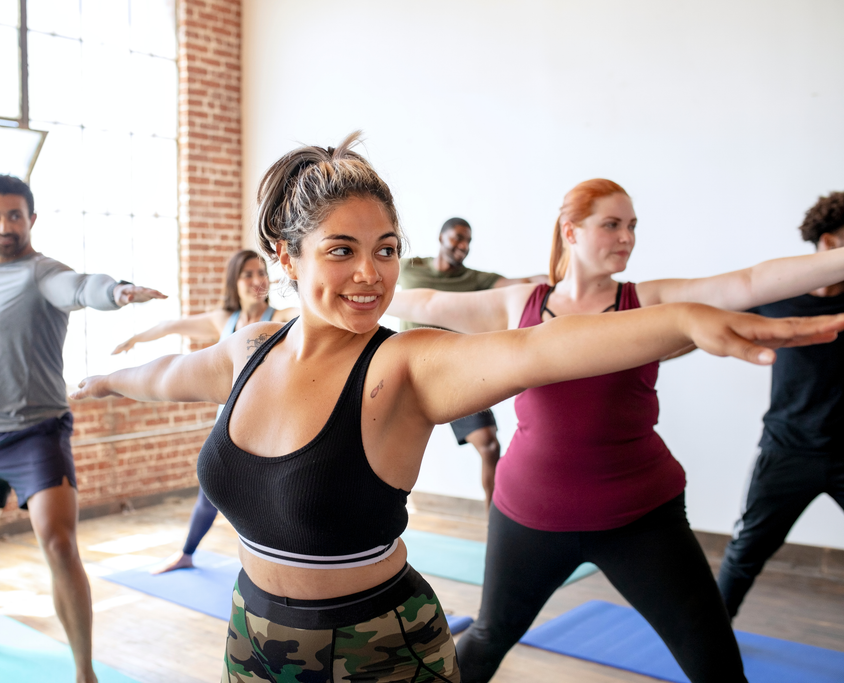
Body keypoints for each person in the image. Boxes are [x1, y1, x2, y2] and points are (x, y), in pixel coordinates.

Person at [71, 142, 844, 683]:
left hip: (389, 641)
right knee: (494, 637)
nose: (370, 273)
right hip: (256, 640)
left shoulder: (406, 364)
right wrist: (107, 380)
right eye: (342, 250)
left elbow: (544, 352)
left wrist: (681, 322)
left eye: (385, 248)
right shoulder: (250, 350)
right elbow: (174, 373)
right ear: (285, 254)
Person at [386, 178, 844, 683]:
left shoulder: (647, 301)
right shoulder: (518, 303)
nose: (626, 237)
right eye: (611, 225)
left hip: (640, 518)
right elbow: (423, 303)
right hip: (529, 515)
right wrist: (339, 289)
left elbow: (751, 282)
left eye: (632, 227)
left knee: (715, 661)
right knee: (488, 638)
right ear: (572, 232)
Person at [0, 175, 164, 683]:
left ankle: (84, 671)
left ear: (31, 219)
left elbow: (82, 286)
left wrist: (117, 291)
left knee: (59, 544)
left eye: (14, 216)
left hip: (37, 434)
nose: (4, 226)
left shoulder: (42, 273)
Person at [112, 249, 298, 573]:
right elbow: (172, 325)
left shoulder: (280, 318)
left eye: (261, 273)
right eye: (248, 274)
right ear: (235, 282)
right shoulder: (222, 320)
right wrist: (136, 338)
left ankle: (283, 564)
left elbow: (311, 311)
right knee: (210, 493)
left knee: (274, 499)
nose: (257, 281)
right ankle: (186, 554)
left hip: (268, 427)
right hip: (227, 425)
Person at [718, 191, 844, 619]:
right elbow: (711, 318)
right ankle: (712, 638)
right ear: (827, 243)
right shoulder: (776, 297)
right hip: (788, 449)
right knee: (746, 551)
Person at [399, 218, 546, 504]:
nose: (463, 247)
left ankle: (495, 522)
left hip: (454, 374)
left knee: (490, 446)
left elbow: (524, 283)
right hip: (409, 373)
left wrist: (561, 278)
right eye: (457, 239)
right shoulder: (410, 267)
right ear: (441, 237)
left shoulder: (473, 279)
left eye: (467, 242)